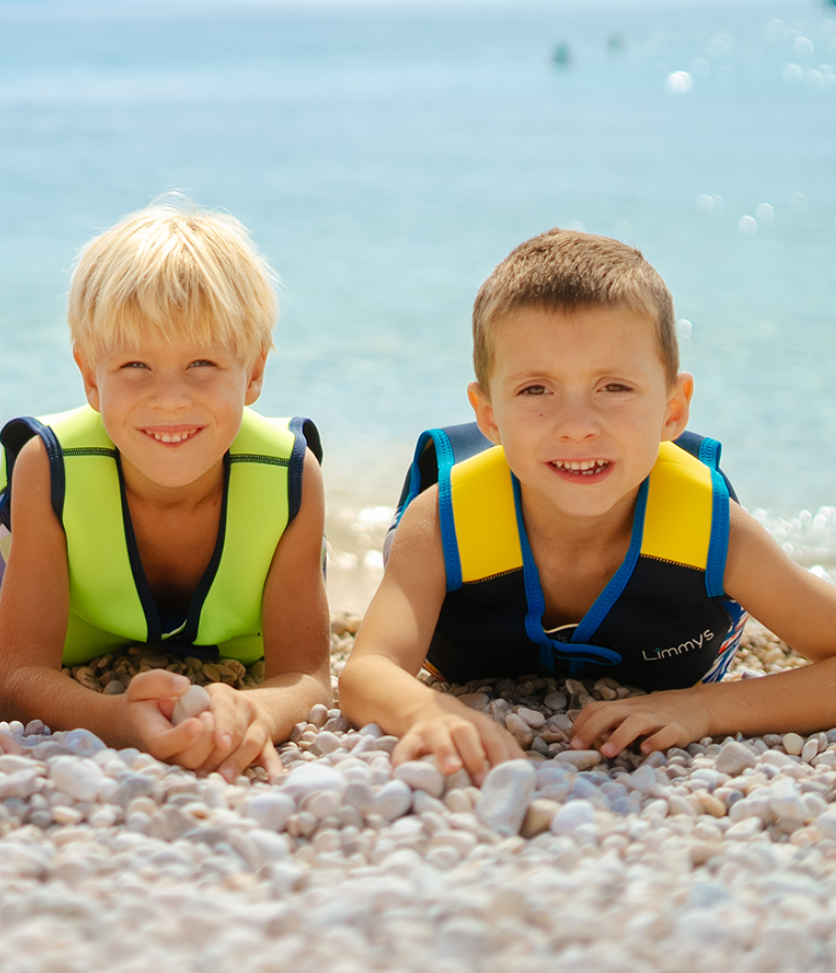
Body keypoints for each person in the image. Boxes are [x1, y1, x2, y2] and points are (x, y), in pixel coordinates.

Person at [339, 229, 836, 777]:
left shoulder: (716, 532)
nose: (577, 427)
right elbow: (367, 671)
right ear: (488, 416)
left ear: (673, 409)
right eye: (536, 390)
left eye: (615, 387)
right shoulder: (439, 524)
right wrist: (426, 713)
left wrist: (703, 708)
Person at [0, 204, 330, 778]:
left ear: (256, 372)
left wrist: (254, 711)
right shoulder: (48, 468)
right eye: (136, 365)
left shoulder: (291, 476)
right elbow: (18, 682)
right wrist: (118, 720)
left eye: (202, 363)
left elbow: (308, 677)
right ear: (92, 377)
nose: (170, 399)